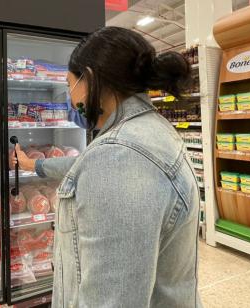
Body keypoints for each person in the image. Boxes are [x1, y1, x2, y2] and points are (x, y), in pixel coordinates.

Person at [14, 27, 201, 307]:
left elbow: (112, 299)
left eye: (69, 86)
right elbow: (85, 163)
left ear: (89, 80)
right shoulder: (147, 132)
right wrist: (35, 165)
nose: (71, 98)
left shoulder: (120, 158)